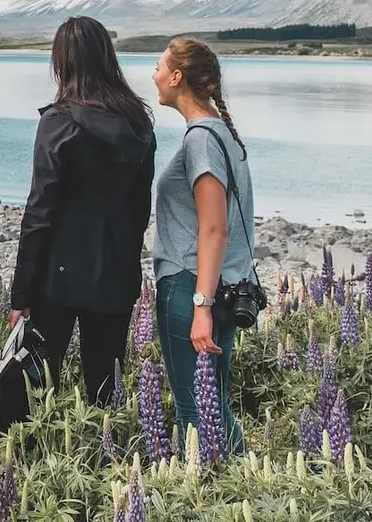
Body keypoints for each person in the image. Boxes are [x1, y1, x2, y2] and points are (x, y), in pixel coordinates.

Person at [8, 16, 156, 407]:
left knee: (39, 389)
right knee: (107, 387)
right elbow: (141, 207)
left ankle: (39, 463)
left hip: (57, 276)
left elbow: (39, 212)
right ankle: (111, 462)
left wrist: (21, 290)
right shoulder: (138, 123)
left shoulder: (58, 123)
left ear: (63, 62)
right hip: (117, 272)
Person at [151, 36, 255, 455]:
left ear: (177, 77)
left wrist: (200, 307)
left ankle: (210, 498)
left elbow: (214, 229)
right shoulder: (223, 132)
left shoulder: (201, 139)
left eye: (159, 66)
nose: (153, 75)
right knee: (215, 405)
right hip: (224, 286)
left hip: (193, 286)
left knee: (194, 413)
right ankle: (244, 488)